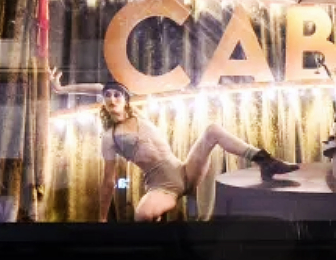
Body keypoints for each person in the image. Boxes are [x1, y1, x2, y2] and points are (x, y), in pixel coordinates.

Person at [50, 71, 297, 222]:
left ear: (126, 101)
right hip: (163, 186)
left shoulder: (140, 116)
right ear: (103, 103)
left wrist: (63, 88)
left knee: (212, 130)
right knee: (142, 216)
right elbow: (107, 181)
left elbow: (99, 87)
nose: (112, 99)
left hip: (185, 171)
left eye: (117, 95)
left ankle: (264, 160)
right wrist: (102, 218)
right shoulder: (110, 137)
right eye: (108, 96)